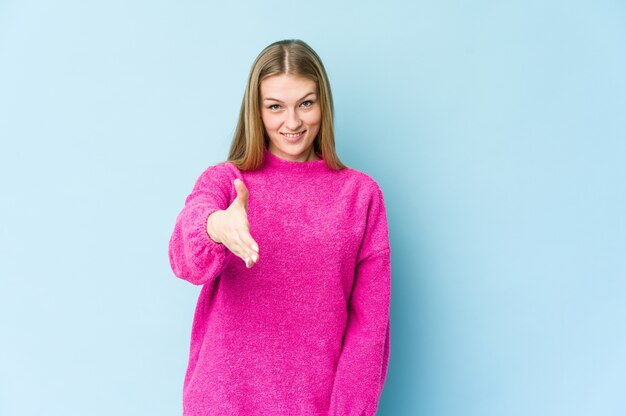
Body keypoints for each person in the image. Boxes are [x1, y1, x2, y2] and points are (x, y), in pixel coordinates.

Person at [168, 39, 391, 416]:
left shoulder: (360, 195)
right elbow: (183, 256)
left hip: (314, 405)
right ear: (256, 112)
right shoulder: (227, 181)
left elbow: (370, 329)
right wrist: (216, 226)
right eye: (275, 107)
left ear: (324, 105)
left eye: (306, 103)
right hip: (222, 401)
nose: (292, 122)